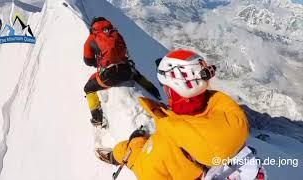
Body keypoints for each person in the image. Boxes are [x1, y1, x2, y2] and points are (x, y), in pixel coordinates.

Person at [97, 49, 265, 180]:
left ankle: (112, 156)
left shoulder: (165, 145)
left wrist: (135, 142)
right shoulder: (230, 120)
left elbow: (143, 167)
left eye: (165, 86)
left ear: (172, 89)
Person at [83, 17, 160, 127]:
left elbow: (88, 61)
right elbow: (124, 51)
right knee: (136, 75)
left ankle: (97, 118)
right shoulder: (115, 33)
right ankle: (155, 93)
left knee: (88, 88)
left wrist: (99, 60)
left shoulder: (91, 38)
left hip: (108, 76)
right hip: (126, 70)